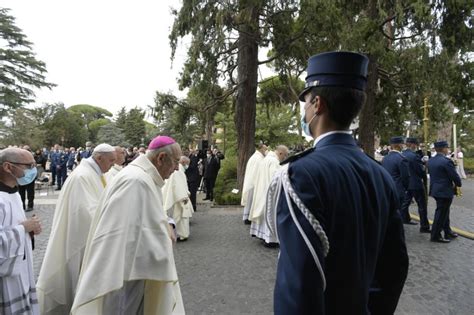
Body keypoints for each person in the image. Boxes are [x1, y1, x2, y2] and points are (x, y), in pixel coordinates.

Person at [268, 51, 408, 314]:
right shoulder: (380, 174)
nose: (305, 110)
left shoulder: (301, 174)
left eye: (306, 102)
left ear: (318, 104)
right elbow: (394, 268)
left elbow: (299, 284)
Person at [70, 136, 185, 315]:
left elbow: (150, 216)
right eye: (176, 162)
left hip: (136, 273)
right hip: (126, 276)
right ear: (161, 158)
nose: (177, 168)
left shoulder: (143, 177)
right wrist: (163, 234)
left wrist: (167, 224)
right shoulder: (136, 181)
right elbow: (124, 233)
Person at [36, 143, 116, 315]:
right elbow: (85, 212)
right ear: (99, 157)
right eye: (111, 161)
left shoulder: (95, 173)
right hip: (80, 237)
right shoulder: (82, 176)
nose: (112, 165)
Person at [0, 148, 42, 315]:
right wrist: (23, 228)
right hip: (5, 276)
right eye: (29, 165)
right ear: (8, 167)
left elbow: (16, 225)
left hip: (21, 266)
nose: (33, 170)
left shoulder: (14, 193)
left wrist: (29, 231)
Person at [248, 145, 288, 246]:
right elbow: (275, 178)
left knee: (263, 214)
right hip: (269, 193)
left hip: (262, 191)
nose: (285, 158)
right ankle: (270, 239)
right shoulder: (274, 161)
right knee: (270, 214)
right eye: (285, 155)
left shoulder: (266, 159)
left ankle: (262, 235)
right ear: (280, 153)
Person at [427, 141, 462, 243]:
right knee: (441, 213)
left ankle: (447, 231)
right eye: (447, 148)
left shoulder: (431, 160)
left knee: (444, 212)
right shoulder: (446, 161)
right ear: (443, 149)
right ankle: (435, 235)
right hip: (444, 190)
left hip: (435, 189)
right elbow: (454, 176)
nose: (448, 149)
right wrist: (458, 184)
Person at [382, 136, 414, 225]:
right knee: (397, 214)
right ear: (399, 145)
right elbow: (405, 177)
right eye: (402, 143)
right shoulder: (401, 159)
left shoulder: (385, 158)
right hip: (398, 189)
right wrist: (406, 188)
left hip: (387, 188)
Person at [401, 137, 430, 232]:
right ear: (413, 144)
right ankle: (424, 227)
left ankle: (405, 218)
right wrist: (424, 165)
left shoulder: (402, 154)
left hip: (406, 183)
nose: (416, 146)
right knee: (422, 206)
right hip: (416, 184)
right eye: (416, 144)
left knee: (405, 203)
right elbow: (420, 171)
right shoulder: (414, 156)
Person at [163, 155, 194, 241]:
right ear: (183, 162)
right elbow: (177, 185)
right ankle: (181, 234)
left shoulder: (178, 169)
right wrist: (184, 196)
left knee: (180, 217)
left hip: (178, 196)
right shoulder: (178, 170)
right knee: (180, 216)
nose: (187, 166)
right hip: (179, 197)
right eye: (187, 164)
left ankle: (179, 234)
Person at [241, 143, 267, 224]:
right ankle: (248, 218)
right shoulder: (258, 158)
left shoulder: (256, 156)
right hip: (253, 183)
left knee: (250, 201)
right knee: (251, 201)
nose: (266, 151)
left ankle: (247, 217)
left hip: (251, 182)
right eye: (265, 149)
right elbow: (258, 171)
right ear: (261, 149)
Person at [18, 145, 36, 211]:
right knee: (21, 192)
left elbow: (33, 166)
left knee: (30, 192)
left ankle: (30, 205)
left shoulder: (32, 157)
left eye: (27, 150)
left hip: (30, 177)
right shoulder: (19, 157)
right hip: (21, 177)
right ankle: (22, 206)